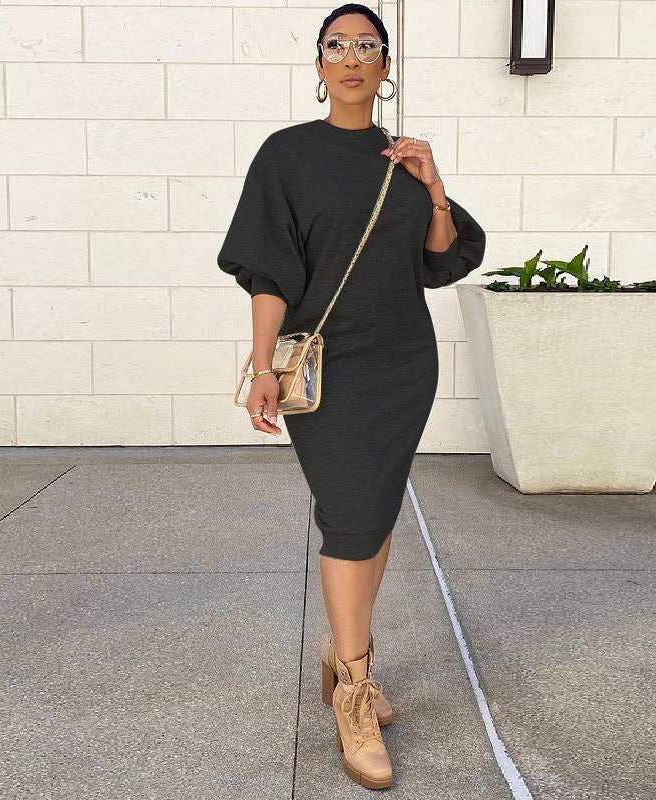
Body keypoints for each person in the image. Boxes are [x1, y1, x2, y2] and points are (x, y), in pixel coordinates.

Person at [217, 3, 486, 790]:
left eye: (368, 45)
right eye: (337, 45)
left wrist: (433, 186)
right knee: (351, 518)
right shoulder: (288, 155)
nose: (352, 57)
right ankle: (355, 695)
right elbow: (270, 270)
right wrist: (263, 367)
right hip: (329, 367)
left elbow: (440, 259)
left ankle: (346, 654)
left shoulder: (402, 158)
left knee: (377, 516)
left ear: (386, 65)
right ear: (319, 65)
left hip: (403, 364)